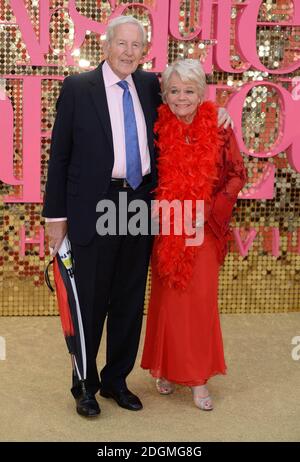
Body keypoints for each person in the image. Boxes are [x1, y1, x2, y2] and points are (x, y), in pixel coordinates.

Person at [43, 16, 232, 418]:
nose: (129, 52)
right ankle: (85, 385)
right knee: (90, 300)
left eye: (136, 46)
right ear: (107, 46)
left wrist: (222, 114)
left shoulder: (151, 86)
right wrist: (54, 218)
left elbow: (190, 98)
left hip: (142, 202)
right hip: (95, 205)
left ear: (144, 52)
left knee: (129, 297)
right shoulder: (78, 88)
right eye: (122, 44)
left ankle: (116, 381)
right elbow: (59, 158)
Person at [141, 59, 247, 411]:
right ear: (165, 95)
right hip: (169, 228)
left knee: (198, 303)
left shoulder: (219, 126)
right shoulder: (157, 125)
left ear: (201, 93)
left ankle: (199, 379)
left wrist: (210, 210)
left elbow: (236, 174)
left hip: (203, 230)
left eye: (189, 91)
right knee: (168, 302)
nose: (181, 98)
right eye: (174, 90)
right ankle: (168, 368)